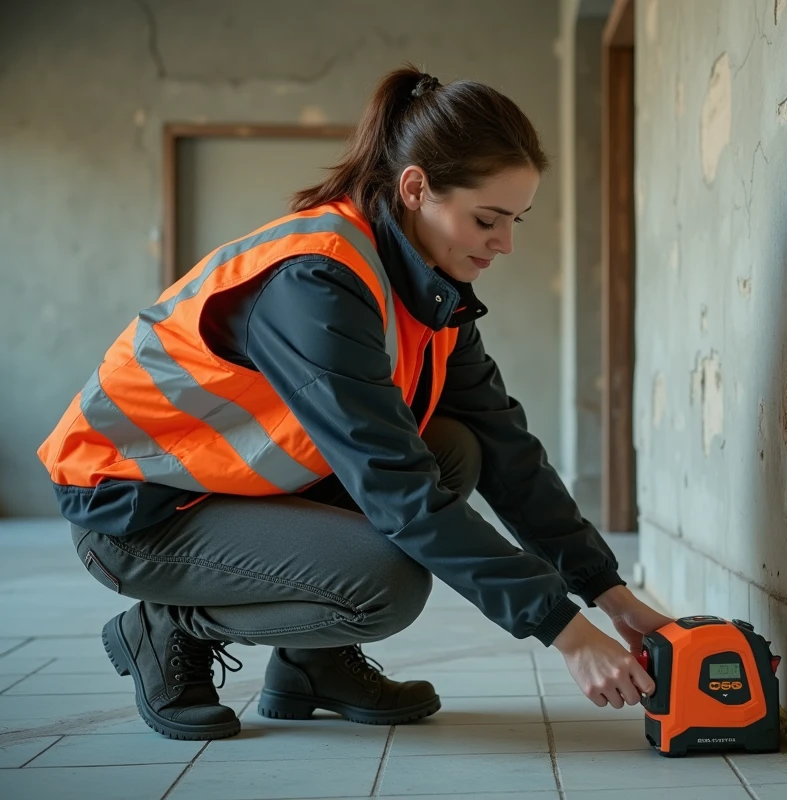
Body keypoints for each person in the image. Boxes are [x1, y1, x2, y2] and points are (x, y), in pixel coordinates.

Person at [36, 64, 672, 741]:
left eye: (515, 220)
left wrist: (609, 592)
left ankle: (313, 667)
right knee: (386, 583)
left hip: (216, 490)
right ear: (416, 187)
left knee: (458, 446)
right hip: (134, 510)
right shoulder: (318, 285)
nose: (505, 244)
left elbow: (509, 452)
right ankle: (164, 625)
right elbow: (397, 492)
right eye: (487, 219)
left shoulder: (427, 289)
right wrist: (565, 631)